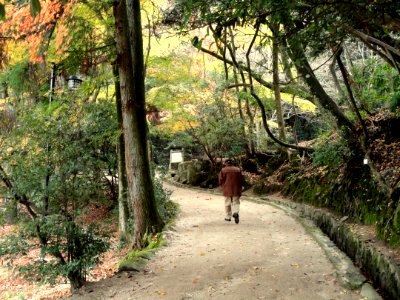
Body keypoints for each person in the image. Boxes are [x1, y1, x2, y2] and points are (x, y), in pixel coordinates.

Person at [218, 158, 244, 224]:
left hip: (227, 188)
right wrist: (241, 186)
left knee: (227, 202)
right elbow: (241, 179)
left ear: (226, 163)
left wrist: (221, 186)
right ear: (232, 163)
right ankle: (235, 212)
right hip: (236, 188)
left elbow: (220, 180)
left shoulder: (223, 170)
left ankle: (228, 216)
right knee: (236, 202)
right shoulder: (238, 170)